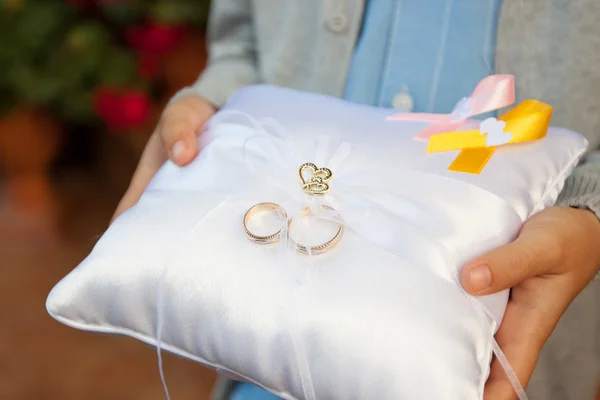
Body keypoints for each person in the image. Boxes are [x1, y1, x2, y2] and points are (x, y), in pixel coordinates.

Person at [111, 1, 600, 399]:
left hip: (492, 360)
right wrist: (217, 105)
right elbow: (243, 44)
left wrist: (591, 212)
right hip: (261, 369)